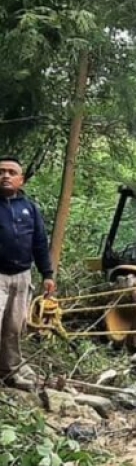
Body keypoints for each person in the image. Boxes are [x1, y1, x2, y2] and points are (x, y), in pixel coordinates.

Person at [0, 156, 54, 390]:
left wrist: (48, 274)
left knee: (14, 327)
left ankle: (8, 373)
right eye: (1, 171)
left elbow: (40, 243)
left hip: (22, 277)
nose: (5, 176)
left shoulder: (29, 208)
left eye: (12, 172)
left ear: (21, 180)